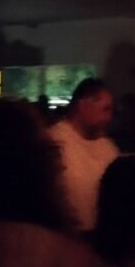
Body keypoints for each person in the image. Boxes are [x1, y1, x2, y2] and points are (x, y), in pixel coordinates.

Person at [50, 78, 120, 232]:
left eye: (111, 111)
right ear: (82, 105)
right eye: (105, 109)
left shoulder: (108, 147)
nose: (109, 118)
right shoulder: (55, 142)